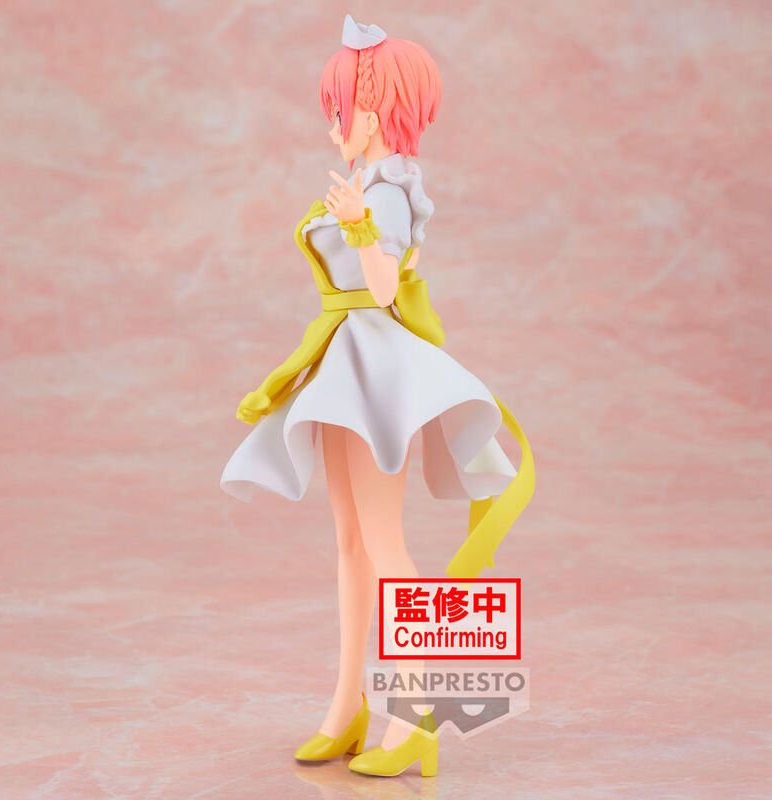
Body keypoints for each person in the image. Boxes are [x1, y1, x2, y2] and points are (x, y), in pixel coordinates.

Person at [221, 14, 534, 778]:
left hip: (373, 368)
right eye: (332, 110)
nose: (336, 125)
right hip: (343, 363)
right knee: (350, 542)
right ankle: (346, 706)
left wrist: (360, 225)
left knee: (385, 543)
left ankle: (411, 716)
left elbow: (387, 289)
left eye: (345, 109)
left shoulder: (387, 191)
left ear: (381, 107)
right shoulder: (366, 183)